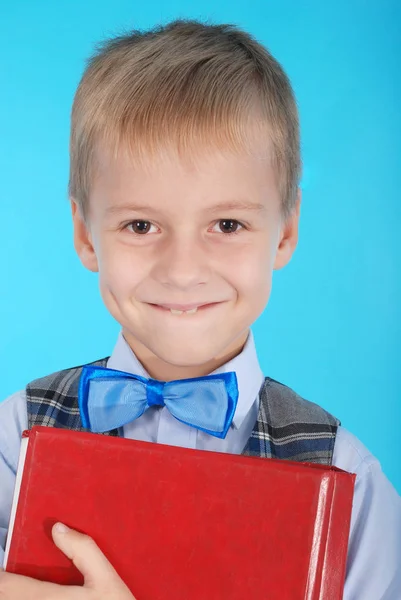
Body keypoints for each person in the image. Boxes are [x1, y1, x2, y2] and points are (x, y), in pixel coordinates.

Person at [0, 18, 400, 600]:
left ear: (285, 232)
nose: (183, 268)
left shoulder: (350, 481)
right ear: (86, 235)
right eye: (141, 225)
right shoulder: (15, 437)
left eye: (227, 224)